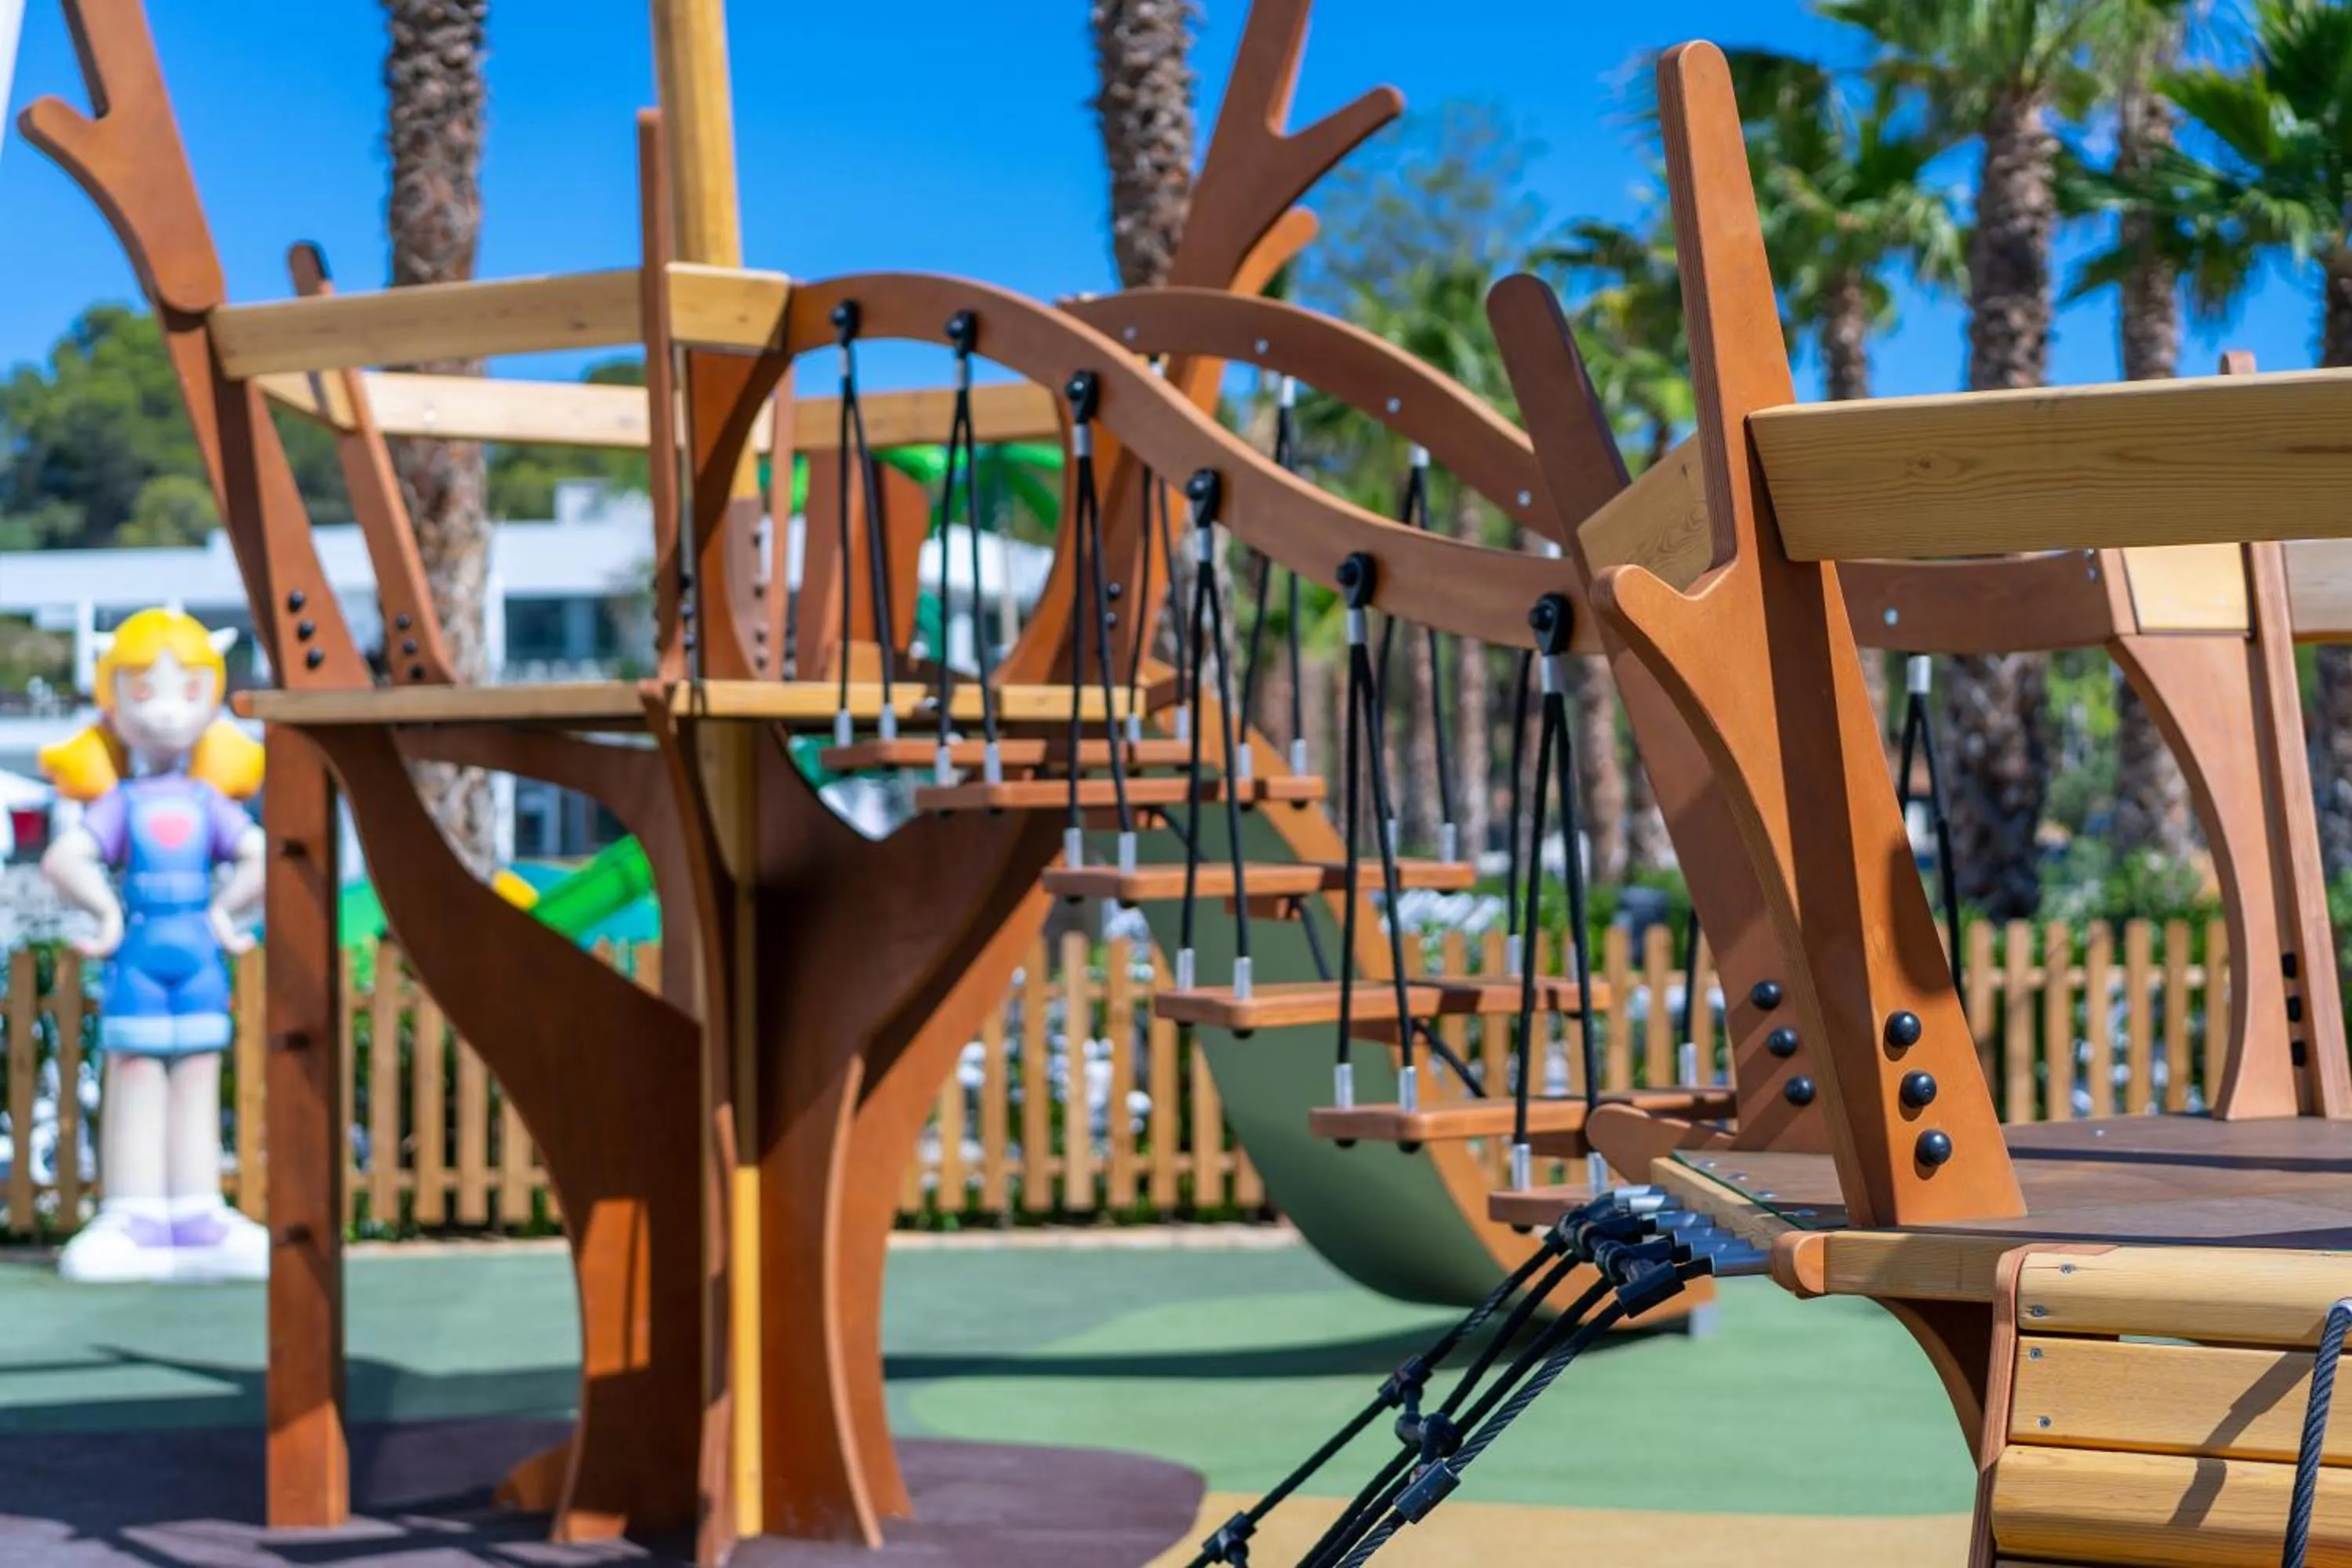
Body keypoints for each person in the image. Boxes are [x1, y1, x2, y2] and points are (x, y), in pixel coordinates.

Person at [38, 608, 269, 1283]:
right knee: (136, 1074)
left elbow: (260, 857)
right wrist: (109, 914)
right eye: (145, 691)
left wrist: (224, 915)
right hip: (139, 952)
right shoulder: (121, 802)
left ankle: (197, 1208)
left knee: (197, 1074)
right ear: (114, 697)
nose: (167, 712)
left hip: (196, 952)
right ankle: (133, 1209)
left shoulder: (209, 801)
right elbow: (65, 859)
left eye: (187, 691)